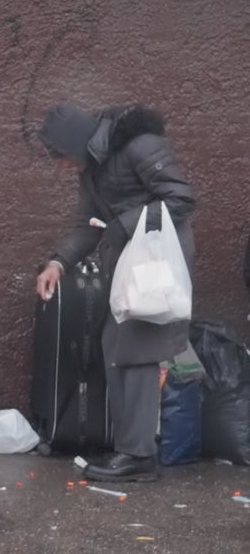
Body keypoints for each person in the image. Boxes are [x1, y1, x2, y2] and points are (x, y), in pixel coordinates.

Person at [35, 103, 196, 481]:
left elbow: (181, 198)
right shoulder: (93, 168)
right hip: (130, 263)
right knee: (115, 344)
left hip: (155, 260)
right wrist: (58, 263)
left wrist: (124, 224)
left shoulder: (138, 145)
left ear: (76, 143)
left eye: (61, 156)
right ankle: (132, 450)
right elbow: (89, 225)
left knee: (135, 350)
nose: (62, 165)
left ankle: (137, 455)